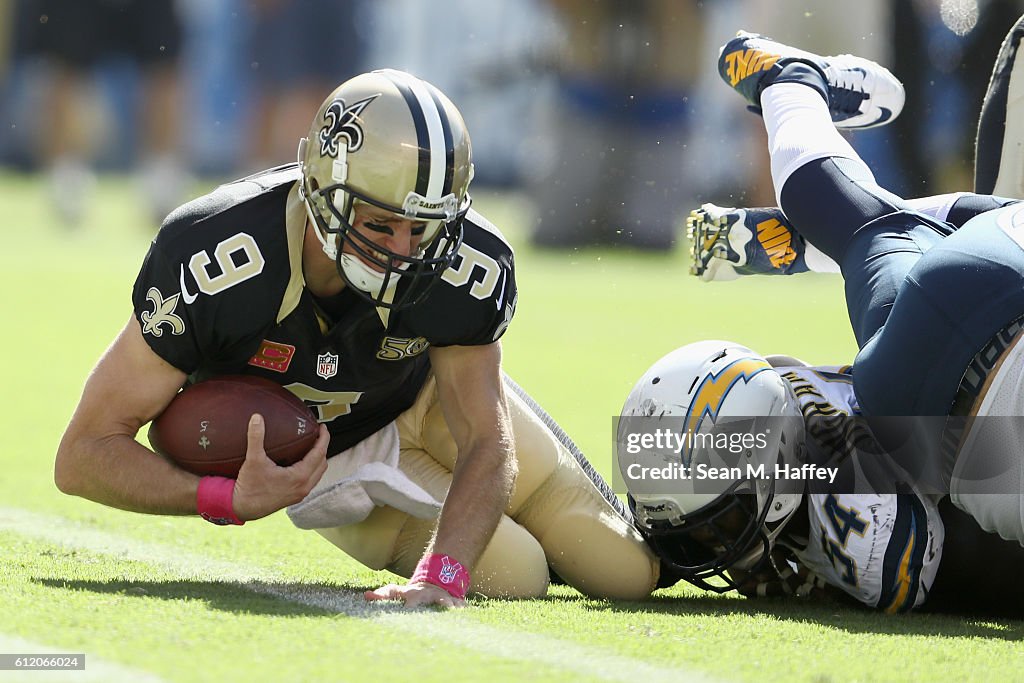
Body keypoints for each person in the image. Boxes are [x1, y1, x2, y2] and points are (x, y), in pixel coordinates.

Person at [54, 69, 660, 608]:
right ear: (319, 191)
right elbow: (83, 454)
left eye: (422, 228)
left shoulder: (466, 263)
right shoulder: (218, 255)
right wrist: (223, 496)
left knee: (624, 569)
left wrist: (443, 574)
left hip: (429, 401)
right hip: (335, 464)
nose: (402, 250)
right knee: (519, 572)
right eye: (379, 223)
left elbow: (483, 435)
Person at [623, 30, 1024, 612]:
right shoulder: (850, 482)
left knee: (885, 231)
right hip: (930, 364)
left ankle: (792, 97)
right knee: (874, 226)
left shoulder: (865, 539)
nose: (714, 550)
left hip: (933, 379)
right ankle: (790, 88)